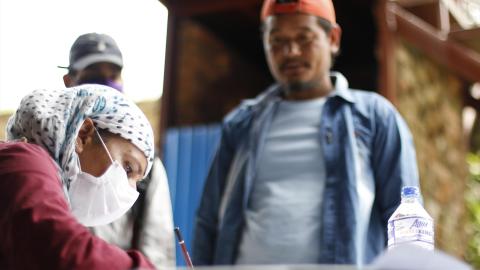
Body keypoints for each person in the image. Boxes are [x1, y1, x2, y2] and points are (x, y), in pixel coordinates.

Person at [192, 0, 420, 266]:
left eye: (304, 38)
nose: (291, 52)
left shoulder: (375, 117)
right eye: (277, 41)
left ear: (333, 38)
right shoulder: (240, 124)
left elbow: (405, 218)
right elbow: (208, 220)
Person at [0, 85, 155, 269]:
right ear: (83, 134)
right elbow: (62, 248)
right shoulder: (24, 161)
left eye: (136, 182)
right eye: (128, 168)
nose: (129, 191)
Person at [61, 32, 176, 267]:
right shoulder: (44, 155)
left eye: (113, 76)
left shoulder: (145, 167)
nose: (106, 85)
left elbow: (157, 252)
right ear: (69, 81)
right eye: (93, 76)